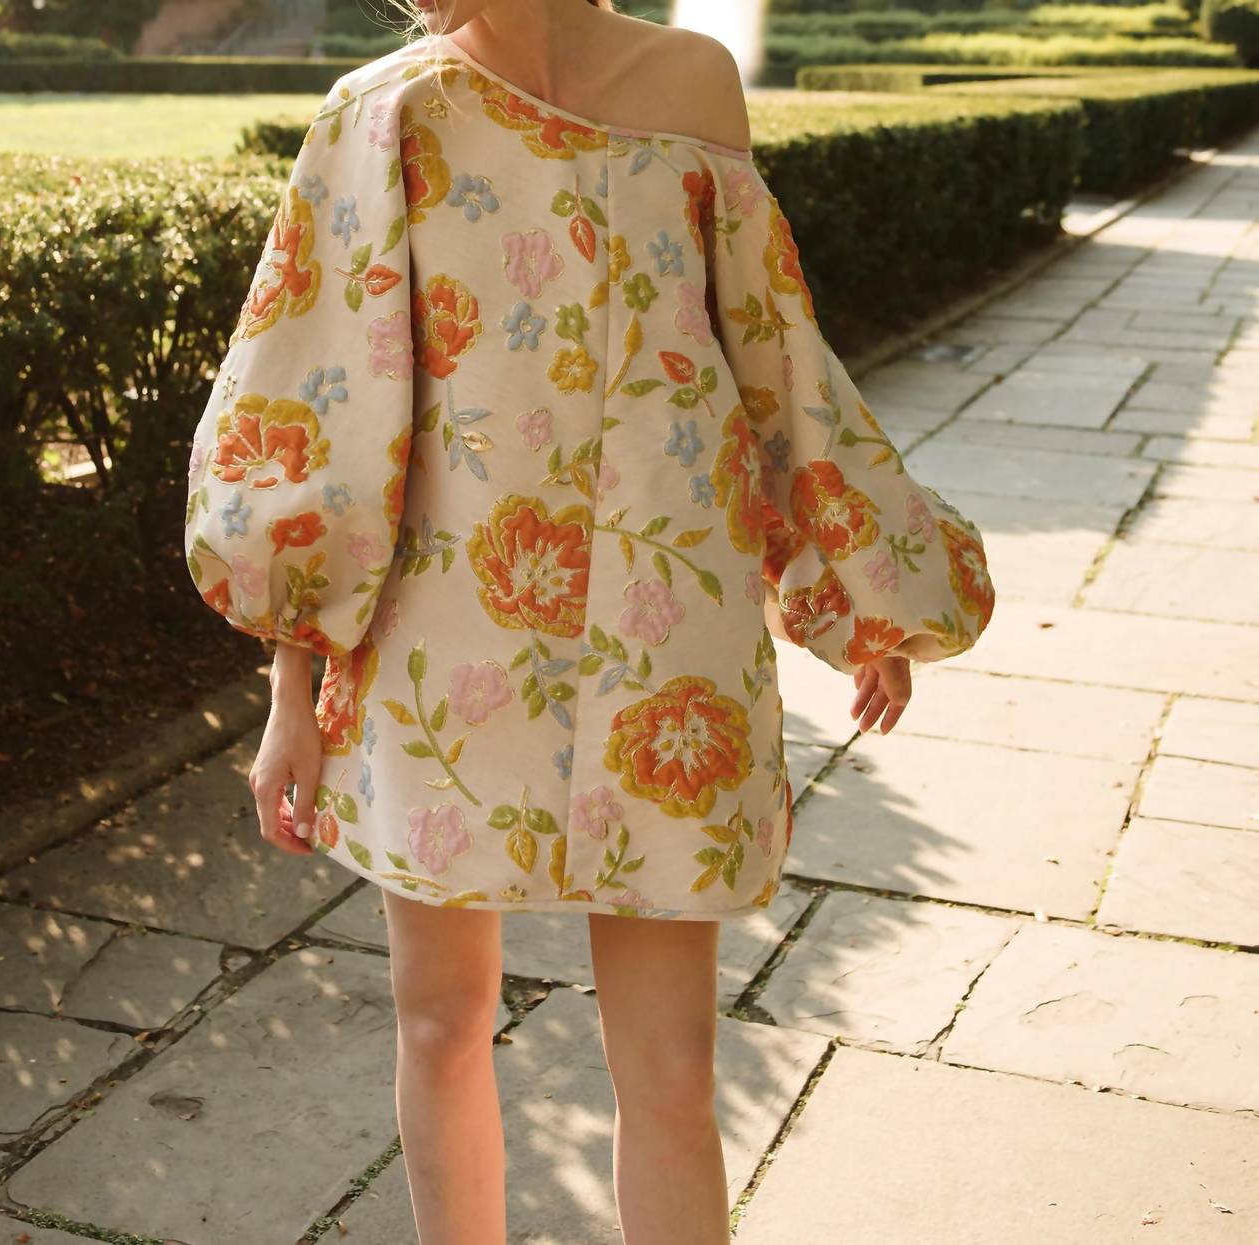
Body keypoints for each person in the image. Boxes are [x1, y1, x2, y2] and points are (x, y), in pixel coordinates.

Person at [182, 0, 996, 1238]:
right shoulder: (385, 112)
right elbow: (313, 414)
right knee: (441, 1022)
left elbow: (775, 365)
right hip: (439, 649)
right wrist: (289, 699)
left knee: (670, 1071)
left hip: (669, 645)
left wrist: (861, 592)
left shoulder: (694, 83)